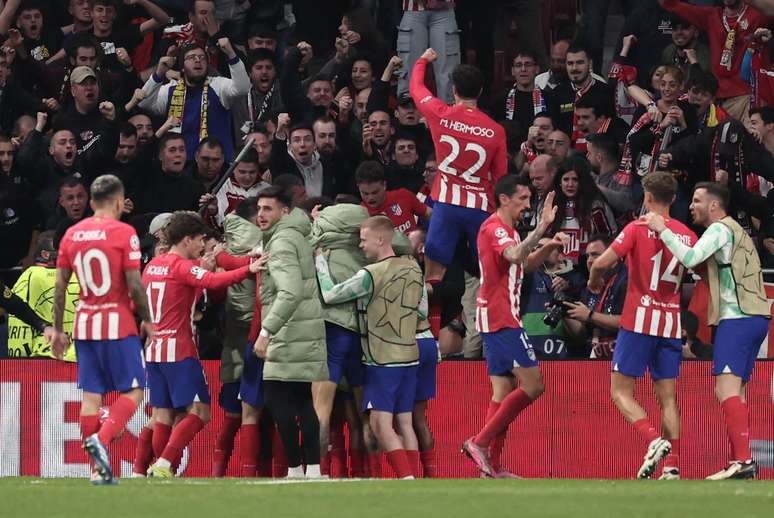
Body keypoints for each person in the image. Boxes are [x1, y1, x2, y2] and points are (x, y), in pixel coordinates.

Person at [644, 182, 771, 480]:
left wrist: (662, 229)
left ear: (714, 206)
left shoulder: (718, 230)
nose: (691, 206)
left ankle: (742, 460)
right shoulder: (736, 231)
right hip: (756, 317)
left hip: (736, 317)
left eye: (698, 200)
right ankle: (740, 461)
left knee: (724, 389)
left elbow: (689, 258)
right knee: (737, 392)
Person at [589, 172, 697, 480]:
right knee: (668, 397)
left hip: (639, 319)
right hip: (671, 323)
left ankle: (653, 440)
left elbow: (601, 262)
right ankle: (673, 466)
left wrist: (593, 281)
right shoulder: (687, 234)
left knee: (621, 391)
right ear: (674, 199)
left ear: (647, 197)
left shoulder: (637, 228)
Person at [50, 174, 154, 485]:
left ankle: (97, 469)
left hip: (83, 324)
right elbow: (135, 284)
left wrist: (57, 329)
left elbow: (59, 286)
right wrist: (147, 317)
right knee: (135, 389)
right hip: (117, 323)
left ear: (92, 202)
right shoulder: (125, 233)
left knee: (92, 397)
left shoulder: (71, 234)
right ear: (120, 201)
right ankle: (103, 439)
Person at [144, 211, 262, 478]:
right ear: (187, 239)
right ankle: (164, 465)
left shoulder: (153, 266)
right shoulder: (181, 266)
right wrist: (249, 269)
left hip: (154, 350)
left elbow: (186, 292)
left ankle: (153, 471)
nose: (201, 246)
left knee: (163, 415)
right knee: (200, 412)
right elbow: (213, 281)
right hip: (178, 350)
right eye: (199, 240)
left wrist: (202, 271)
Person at [461, 175, 564, 478]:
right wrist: (542, 228)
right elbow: (515, 255)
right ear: (504, 199)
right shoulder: (494, 228)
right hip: (500, 317)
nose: (527, 205)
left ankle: (490, 466)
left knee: (503, 392)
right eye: (522, 199)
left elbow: (523, 263)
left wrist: (546, 248)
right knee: (534, 386)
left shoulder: (509, 231)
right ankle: (478, 443)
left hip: (499, 316)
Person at [315, 215, 427, 479]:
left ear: (380, 239)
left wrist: (320, 261)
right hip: (410, 355)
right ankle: (417, 480)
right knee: (405, 423)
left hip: (383, 360)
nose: (361, 246)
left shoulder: (371, 274)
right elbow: (421, 311)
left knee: (380, 423)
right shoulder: (413, 268)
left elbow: (331, 295)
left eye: (364, 240)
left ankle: (406, 480)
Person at [410, 48, 507, 287]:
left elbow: (416, 88)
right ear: (481, 91)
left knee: (433, 276)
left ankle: (431, 322)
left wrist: (423, 61)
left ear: (454, 90)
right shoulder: (496, 130)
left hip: (446, 204)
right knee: (489, 275)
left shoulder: (439, 114)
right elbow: (501, 175)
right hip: (481, 208)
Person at [253, 186, 328, 479]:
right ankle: (313, 469)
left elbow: (290, 291)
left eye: (268, 209)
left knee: (277, 400)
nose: (260, 214)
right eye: (259, 209)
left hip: (287, 331)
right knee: (304, 401)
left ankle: (296, 468)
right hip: (306, 329)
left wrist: (266, 331)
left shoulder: (281, 242)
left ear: (285, 211)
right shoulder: (298, 233)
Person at [659, 0, 773, 122]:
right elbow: (669, 3)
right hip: (716, 100)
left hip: (747, 97)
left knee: (750, 139)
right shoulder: (712, 16)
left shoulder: (756, 14)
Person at [139, 38, 249, 161]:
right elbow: (144, 103)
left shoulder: (218, 86)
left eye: (202, 57)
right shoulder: (171, 89)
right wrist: (159, 73)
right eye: (191, 57)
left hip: (216, 166)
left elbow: (243, 88)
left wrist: (231, 54)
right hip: (181, 166)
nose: (198, 60)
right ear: (182, 67)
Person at [549, 157, 617, 265]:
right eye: (566, 179)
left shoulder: (595, 207)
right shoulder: (552, 205)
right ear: (559, 182)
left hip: (588, 267)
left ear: (582, 182)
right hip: (558, 266)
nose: (570, 184)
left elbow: (608, 239)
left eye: (575, 180)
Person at [396, 0, 460, 104]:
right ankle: (408, 113)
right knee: (408, 68)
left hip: (445, 8)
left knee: (448, 71)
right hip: (413, 8)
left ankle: (448, 114)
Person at [357, 160, 430, 235]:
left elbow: (431, 214)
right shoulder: (359, 215)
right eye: (365, 193)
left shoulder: (403, 196)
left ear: (384, 185)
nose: (370, 198)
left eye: (375, 192)